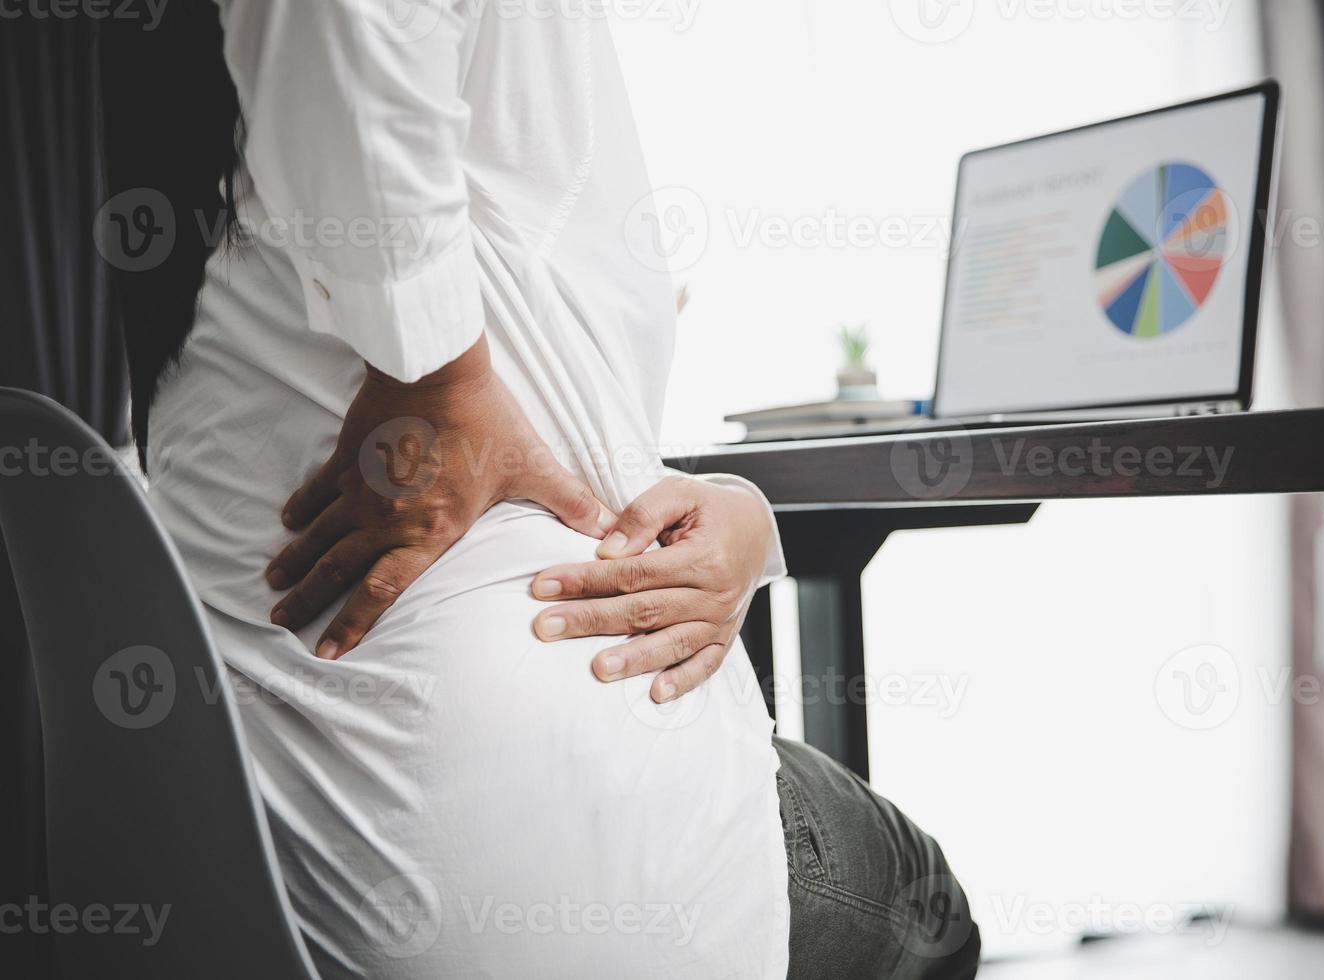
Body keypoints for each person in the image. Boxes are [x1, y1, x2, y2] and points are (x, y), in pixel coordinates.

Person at [123, 1, 981, 976]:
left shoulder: (208, 214)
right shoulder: (403, 246)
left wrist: (737, 514)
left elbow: (564, 430)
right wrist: (435, 378)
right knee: (917, 896)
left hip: (275, 848)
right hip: (526, 873)